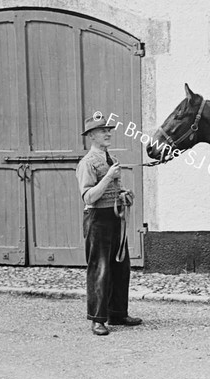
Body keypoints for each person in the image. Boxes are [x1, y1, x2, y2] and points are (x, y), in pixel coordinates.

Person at [76, 115, 142, 336]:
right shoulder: (87, 163)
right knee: (100, 269)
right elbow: (88, 197)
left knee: (120, 267)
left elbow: (113, 190)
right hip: (97, 220)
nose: (108, 133)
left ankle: (117, 313)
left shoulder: (111, 159)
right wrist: (108, 178)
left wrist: (124, 195)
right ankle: (97, 319)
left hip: (114, 217)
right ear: (91, 136)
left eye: (108, 130)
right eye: (102, 131)